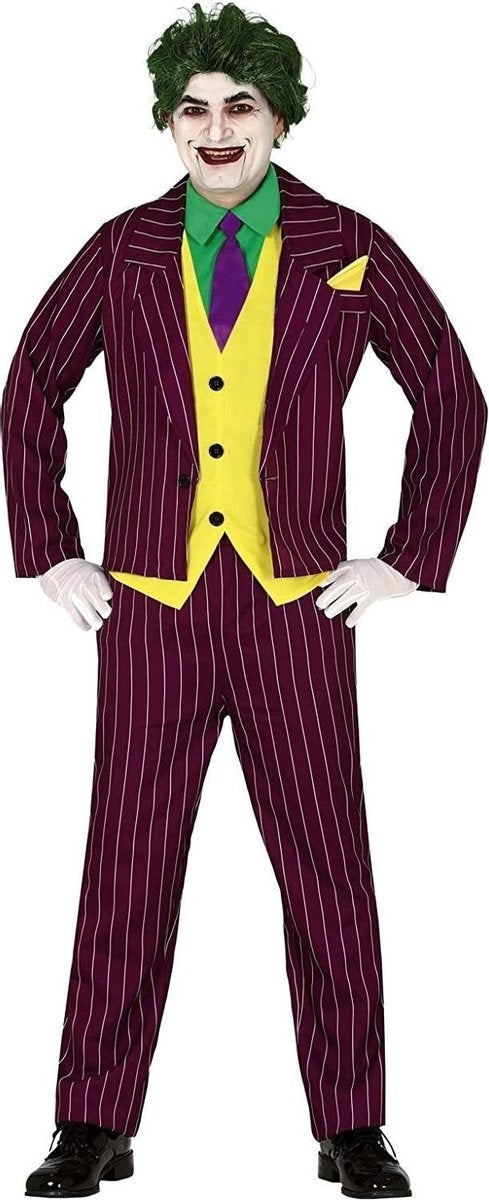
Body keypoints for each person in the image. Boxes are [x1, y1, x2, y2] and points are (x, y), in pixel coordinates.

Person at [1, 3, 486, 1197]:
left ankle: (353, 1125)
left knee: (328, 868)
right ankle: (91, 1120)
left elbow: (451, 391)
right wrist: (52, 549)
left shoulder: (346, 244)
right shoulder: (123, 249)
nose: (216, 130)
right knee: (125, 866)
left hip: (296, 607)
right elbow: (31, 386)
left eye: (240, 107)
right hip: (151, 607)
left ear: (279, 118)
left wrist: (406, 555)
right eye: (193, 109)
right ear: (169, 123)